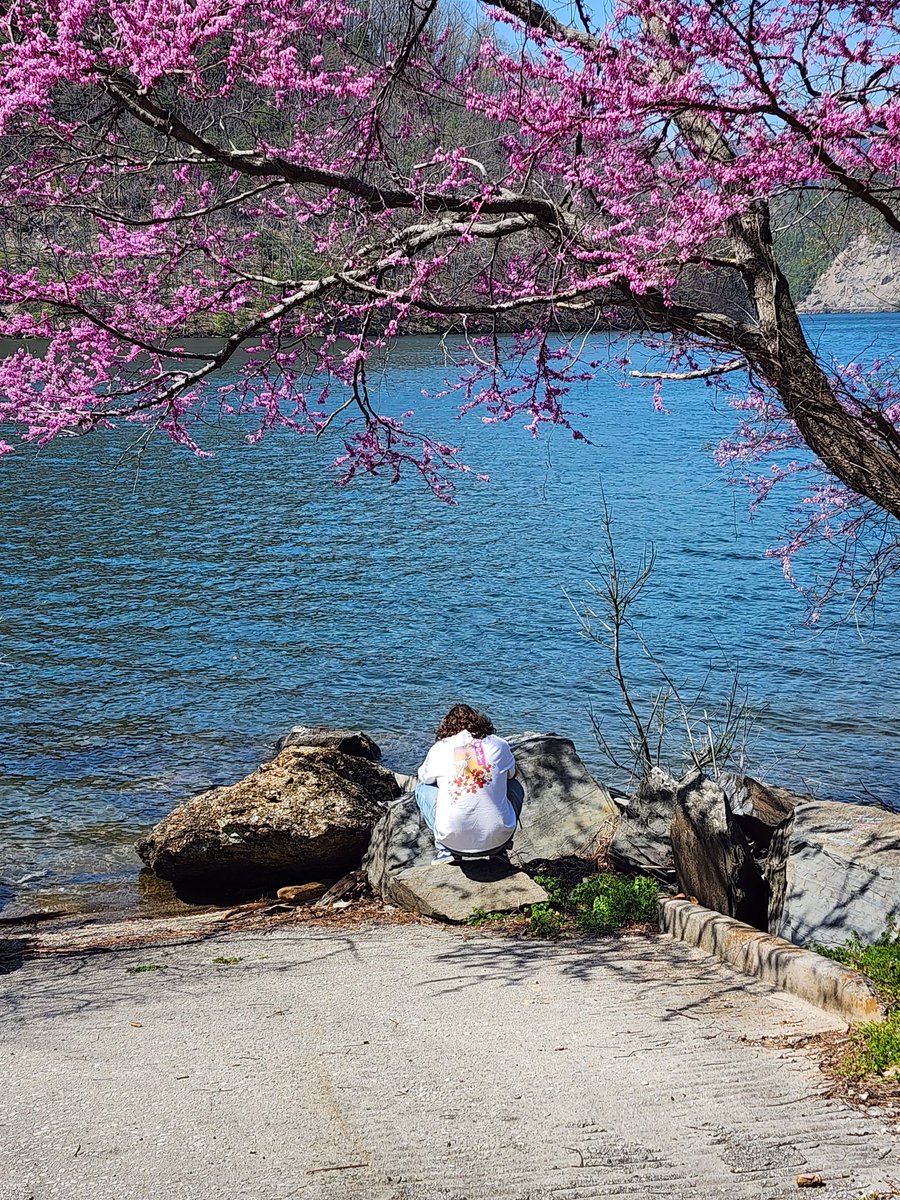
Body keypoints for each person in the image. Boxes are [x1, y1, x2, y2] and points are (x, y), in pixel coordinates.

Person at [416, 704, 519, 865]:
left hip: (453, 842)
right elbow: (513, 774)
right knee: (514, 786)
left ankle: (444, 849)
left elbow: (424, 777)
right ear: (481, 722)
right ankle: (501, 850)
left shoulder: (440, 748)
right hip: (498, 839)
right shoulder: (499, 744)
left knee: (422, 788)